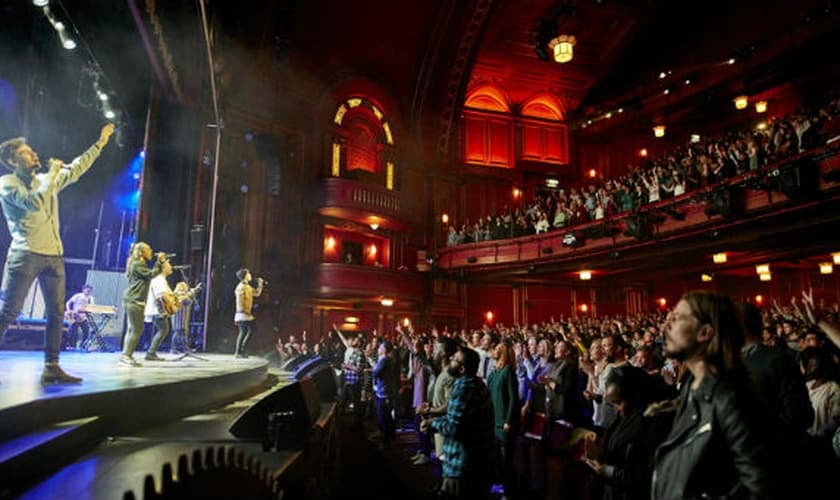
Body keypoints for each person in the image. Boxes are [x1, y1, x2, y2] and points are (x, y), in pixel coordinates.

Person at [0, 123, 114, 384]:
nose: (35, 155)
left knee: (57, 313)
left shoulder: (44, 180)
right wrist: (52, 173)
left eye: (32, 151)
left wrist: (100, 143)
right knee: (8, 312)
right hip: (25, 254)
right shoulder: (7, 183)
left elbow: (76, 168)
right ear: (11, 159)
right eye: (27, 153)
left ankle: (51, 366)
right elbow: (32, 203)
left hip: (54, 255)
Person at [651, 291, 776, 499]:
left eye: (677, 318)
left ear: (705, 332)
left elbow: (761, 486)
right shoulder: (692, 386)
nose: (666, 326)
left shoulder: (731, 397)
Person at [421, 346, 496, 499]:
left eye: (454, 360)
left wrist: (431, 424)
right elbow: (458, 419)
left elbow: (453, 427)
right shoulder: (477, 383)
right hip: (478, 463)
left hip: (462, 466)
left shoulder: (464, 389)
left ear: (462, 369)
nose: (450, 360)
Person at [120, 242, 165, 367]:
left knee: (131, 329)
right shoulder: (138, 264)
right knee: (137, 330)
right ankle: (126, 356)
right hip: (135, 300)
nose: (151, 252)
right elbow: (151, 275)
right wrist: (159, 262)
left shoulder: (138, 264)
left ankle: (126, 355)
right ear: (142, 252)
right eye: (149, 250)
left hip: (132, 299)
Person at [143, 258, 176, 361]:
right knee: (163, 330)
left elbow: (169, 294)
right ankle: (151, 352)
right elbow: (163, 295)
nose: (171, 267)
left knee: (163, 330)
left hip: (159, 310)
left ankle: (151, 352)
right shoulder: (158, 279)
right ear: (163, 268)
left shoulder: (161, 280)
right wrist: (173, 304)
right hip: (158, 310)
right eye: (169, 265)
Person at [233, 268, 264, 358]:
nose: (250, 275)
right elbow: (239, 301)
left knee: (247, 331)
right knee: (245, 331)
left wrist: (260, 284)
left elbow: (257, 293)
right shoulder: (241, 287)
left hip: (246, 314)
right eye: (248, 273)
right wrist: (244, 311)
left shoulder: (247, 287)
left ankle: (240, 351)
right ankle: (239, 352)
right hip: (242, 314)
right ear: (245, 276)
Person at [64, 284, 94, 350]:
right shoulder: (78, 296)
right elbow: (68, 303)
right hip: (76, 316)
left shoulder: (91, 298)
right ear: (83, 290)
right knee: (73, 332)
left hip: (84, 317)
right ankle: (72, 346)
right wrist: (68, 310)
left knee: (86, 331)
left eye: (89, 290)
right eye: (87, 290)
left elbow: (91, 307)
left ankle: (83, 346)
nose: (88, 291)